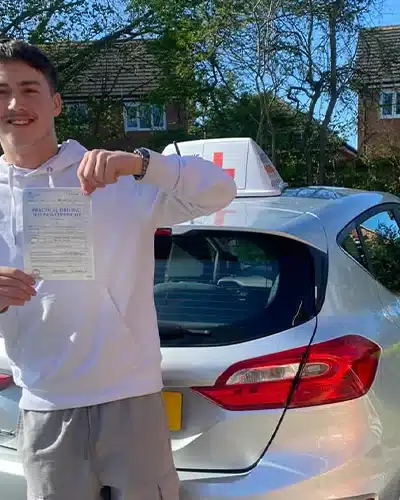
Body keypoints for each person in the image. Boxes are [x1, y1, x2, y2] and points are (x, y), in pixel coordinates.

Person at [0, 39, 236, 500]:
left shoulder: (116, 178)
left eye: (29, 90)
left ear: (56, 103)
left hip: (131, 397)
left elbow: (221, 190)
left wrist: (142, 164)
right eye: (2, 92)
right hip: (45, 405)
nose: (14, 104)